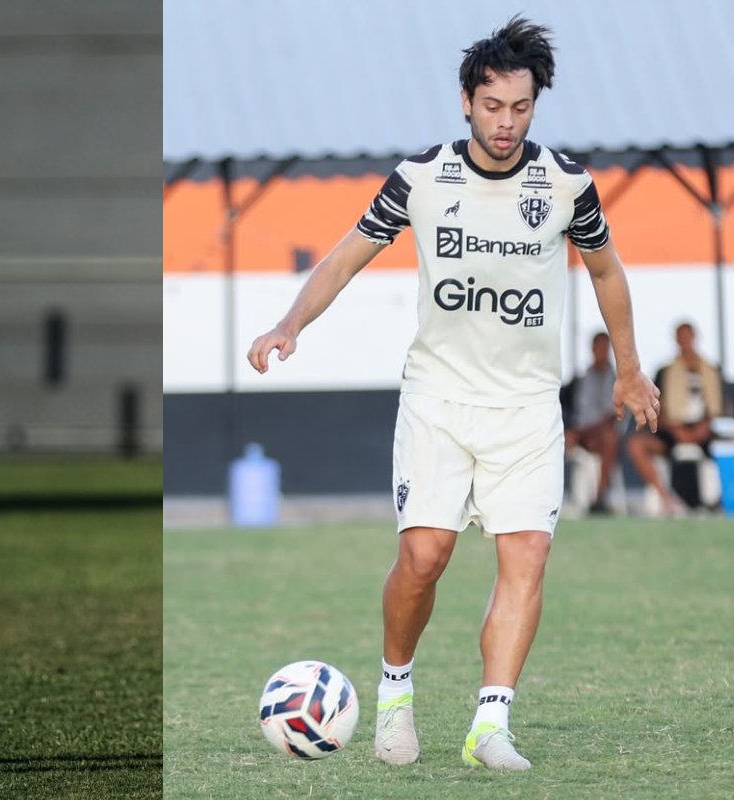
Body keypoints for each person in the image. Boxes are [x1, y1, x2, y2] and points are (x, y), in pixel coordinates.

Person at [246, 17, 659, 770]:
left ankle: (489, 725)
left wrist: (629, 367)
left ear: (535, 105)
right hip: (438, 401)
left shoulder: (566, 184)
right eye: (494, 105)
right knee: (425, 557)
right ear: (466, 101)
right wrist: (289, 324)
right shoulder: (422, 177)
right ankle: (395, 693)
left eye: (521, 107)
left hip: (529, 407)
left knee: (527, 558)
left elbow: (605, 271)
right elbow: (346, 257)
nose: (507, 122)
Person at [626, 322, 725, 512]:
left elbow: (721, 409)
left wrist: (704, 427)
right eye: (681, 337)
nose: (685, 341)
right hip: (673, 431)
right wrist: (676, 429)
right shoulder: (665, 372)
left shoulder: (712, 370)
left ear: (695, 337)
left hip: (705, 432)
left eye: (688, 336)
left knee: (731, 451)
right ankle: (667, 498)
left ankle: (718, 501)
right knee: (635, 444)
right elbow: (656, 407)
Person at [564, 331, 621, 513]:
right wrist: (569, 429)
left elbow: (614, 417)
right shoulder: (581, 380)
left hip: (600, 434)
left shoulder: (617, 380)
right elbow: (567, 409)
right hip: (579, 433)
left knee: (609, 438)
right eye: (598, 347)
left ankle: (599, 497)